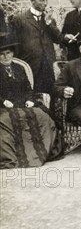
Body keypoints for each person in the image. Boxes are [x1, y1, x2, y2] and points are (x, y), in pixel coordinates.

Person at [0, 35, 62, 169]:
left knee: (43, 117)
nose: (5, 57)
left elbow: (28, 88)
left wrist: (29, 99)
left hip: (23, 104)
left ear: (13, 53)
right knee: (6, 122)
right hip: (3, 107)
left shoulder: (19, 68)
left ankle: (41, 153)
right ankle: (14, 155)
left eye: (8, 53)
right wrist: (3, 101)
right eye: (2, 54)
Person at [12, 0, 62, 93]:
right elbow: (14, 44)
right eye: (41, 0)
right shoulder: (19, 19)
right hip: (29, 65)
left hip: (48, 66)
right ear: (32, 0)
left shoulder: (49, 19)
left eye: (46, 0)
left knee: (49, 97)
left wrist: (49, 24)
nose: (45, 3)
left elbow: (58, 40)